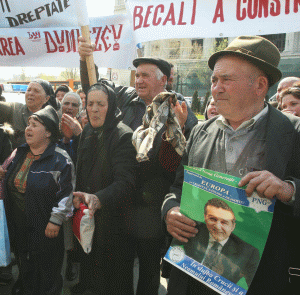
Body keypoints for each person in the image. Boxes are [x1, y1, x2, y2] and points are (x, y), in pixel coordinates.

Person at [162, 35, 300, 295]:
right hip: (194, 276)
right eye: (214, 80)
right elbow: (177, 187)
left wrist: (289, 190)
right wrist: (170, 210)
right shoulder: (200, 132)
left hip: (258, 279)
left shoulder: (293, 134)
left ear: (260, 85)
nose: (216, 88)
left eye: (226, 80)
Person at [78, 37, 198, 295]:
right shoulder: (126, 98)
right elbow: (95, 89)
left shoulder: (180, 111)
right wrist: (85, 58)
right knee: (118, 268)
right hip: (120, 202)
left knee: (148, 271)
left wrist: (177, 130)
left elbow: (177, 163)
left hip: (151, 207)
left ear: (164, 80)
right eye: (137, 75)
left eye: (145, 76)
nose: (139, 80)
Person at [70, 83, 137, 295]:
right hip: (87, 220)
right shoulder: (88, 130)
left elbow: (126, 182)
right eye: (90, 104)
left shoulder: (123, 135)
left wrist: (98, 198)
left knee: (113, 282)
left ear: (111, 105)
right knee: (89, 277)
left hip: (114, 225)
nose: (95, 109)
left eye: (100, 104)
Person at [3, 105, 74, 295]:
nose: (28, 128)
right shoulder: (20, 152)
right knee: (23, 260)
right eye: (28, 124)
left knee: (47, 268)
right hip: (19, 221)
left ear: (49, 132)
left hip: (45, 224)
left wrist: (56, 220)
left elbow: (67, 192)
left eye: (35, 125)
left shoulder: (61, 159)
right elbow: (8, 175)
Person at [183, 198, 259, 286]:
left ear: (233, 227)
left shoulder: (249, 252)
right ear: (205, 217)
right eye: (213, 219)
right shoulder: (192, 228)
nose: (218, 226)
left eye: (224, 222)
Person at [0, 79, 60, 149]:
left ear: (46, 98)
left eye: (36, 91)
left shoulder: (52, 118)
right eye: (28, 90)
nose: (30, 93)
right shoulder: (14, 109)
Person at [59, 92, 83, 165]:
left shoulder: (82, 129)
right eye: (66, 103)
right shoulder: (54, 126)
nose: (69, 107)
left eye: (74, 105)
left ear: (79, 109)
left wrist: (79, 135)